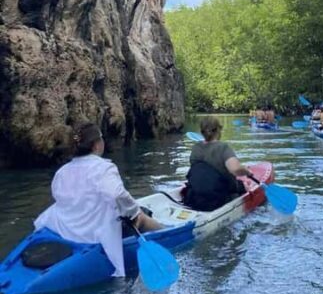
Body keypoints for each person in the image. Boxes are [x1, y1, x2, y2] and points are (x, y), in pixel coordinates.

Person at [34, 122, 165, 277]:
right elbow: (116, 195)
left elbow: (59, 197)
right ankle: (168, 232)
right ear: (96, 145)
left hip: (64, 229)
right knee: (141, 216)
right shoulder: (103, 168)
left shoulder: (61, 172)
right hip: (95, 232)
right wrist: (134, 212)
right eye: (101, 139)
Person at [185, 115, 254, 211]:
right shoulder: (223, 147)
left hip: (195, 198)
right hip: (219, 197)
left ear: (202, 131)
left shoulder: (195, 148)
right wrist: (248, 172)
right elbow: (236, 169)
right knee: (244, 186)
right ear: (218, 130)